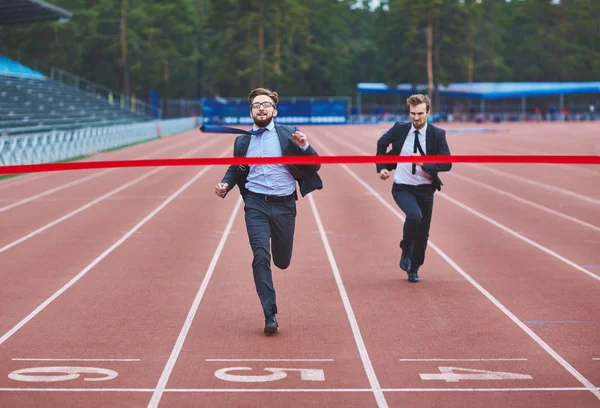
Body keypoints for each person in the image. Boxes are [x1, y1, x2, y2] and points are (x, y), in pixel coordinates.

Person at [214, 87, 323, 334]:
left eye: (265, 104)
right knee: (260, 256)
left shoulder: (289, 135)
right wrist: (225, 184)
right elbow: (235, 168)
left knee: (282, 261)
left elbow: (314, 165)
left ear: (274, 110)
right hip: (256, 204)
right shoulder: (243, 141)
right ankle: (269, 314)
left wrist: (305, 146)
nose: (261, 108)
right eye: (256, 105)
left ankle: (279, 266)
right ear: (251, 111)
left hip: (284, 204)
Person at [376, 94, 451, 283]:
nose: (416, 118)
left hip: (426, 189)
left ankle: (414, 267)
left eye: (419, 113)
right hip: (402, 187)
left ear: (428, 113)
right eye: (412, 113)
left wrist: (425, 163)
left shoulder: (437, 134)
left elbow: (447, 163)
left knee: (423, 233)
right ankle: (406, 246)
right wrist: (383, 167)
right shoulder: (400, 129)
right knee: (414, 216)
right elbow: (381, 143)